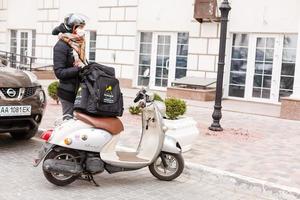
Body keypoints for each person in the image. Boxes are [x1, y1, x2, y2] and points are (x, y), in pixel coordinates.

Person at [52, 13, 87, 120]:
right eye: (79, 27)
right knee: (68, 122)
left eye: (82, 27)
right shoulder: (61, 46)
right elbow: (59, 72)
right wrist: (78, 69)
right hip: (67, 92)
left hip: (78, 91)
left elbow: (82, 63)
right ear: (72, 28)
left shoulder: (77, 43)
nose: (82, 30)